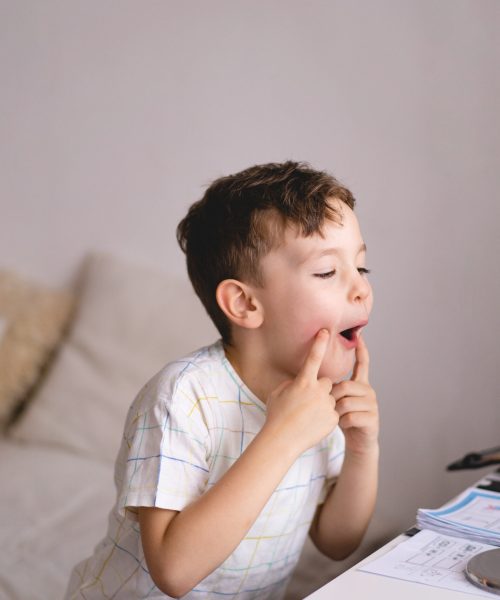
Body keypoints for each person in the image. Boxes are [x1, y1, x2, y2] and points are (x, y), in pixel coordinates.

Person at [65, 161, 379, 599]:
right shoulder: (182, 397)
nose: (360, 289)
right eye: (327, 272)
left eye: (361, 268)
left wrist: (363, 448)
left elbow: (337, 543)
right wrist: (283, 437)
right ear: (245, 303)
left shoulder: (318, 401)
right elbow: (173, 572)